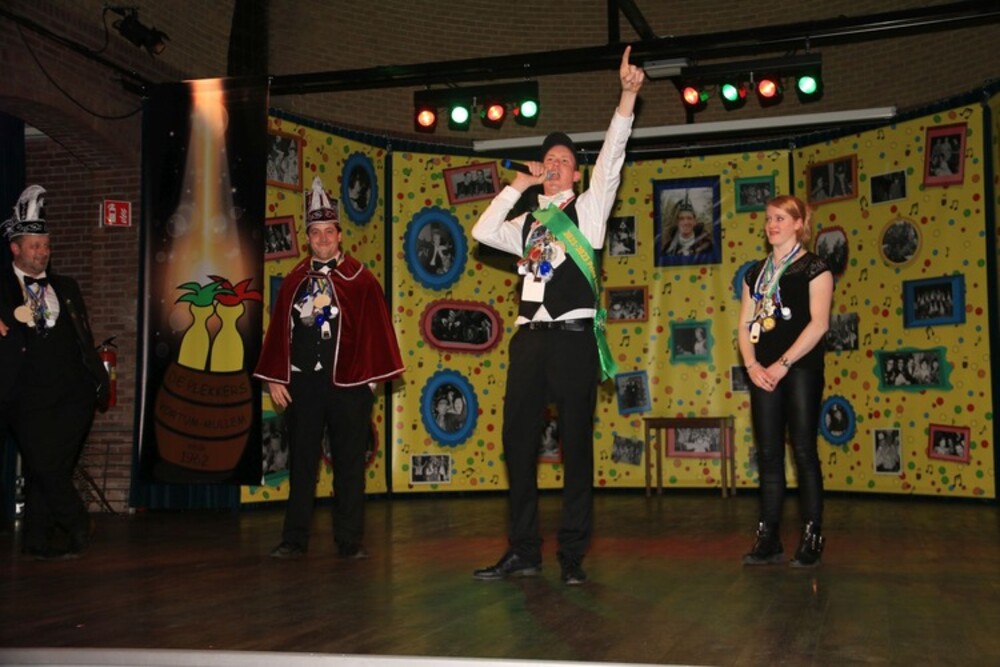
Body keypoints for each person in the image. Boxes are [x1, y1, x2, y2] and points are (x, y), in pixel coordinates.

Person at [470, 47, 644, 585]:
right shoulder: (525, 222)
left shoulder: (589, 211)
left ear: (575, 172)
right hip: (529, 342)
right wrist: (517, 186)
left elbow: (612, 157)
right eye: (548, 160)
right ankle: (523, 549)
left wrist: (627, 96)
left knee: (575, 448)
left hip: (572, 342)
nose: (554, 165)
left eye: (563, 161)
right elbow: (481, 232)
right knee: (517, 445)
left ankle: (572, 555)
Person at [254, 176, 404, 560]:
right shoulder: (294, 281)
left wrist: (368, 384)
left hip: (349, 387)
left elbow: (377, 333)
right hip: (303, 385)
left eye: (328, 232)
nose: (322, 238)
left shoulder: (362, 280)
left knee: (349, 465)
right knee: (302, 465)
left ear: (339, 235)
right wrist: (275, 379)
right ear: (308, 238)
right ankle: (294, 539)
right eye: (316, 232)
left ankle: (349, 540)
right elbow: (279, 332)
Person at [0, 184, 109, 560]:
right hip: (25, 393)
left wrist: (97, 379)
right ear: (15, 248)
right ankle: (77, 521)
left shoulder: (67, 286)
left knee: (52, 466)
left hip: (74, 392)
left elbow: (83, 336)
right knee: (45, 462)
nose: (42, 252)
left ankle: (37, 538)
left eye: (45, 245)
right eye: (34, 246)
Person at [737, 194, 833, 568]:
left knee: (804, 450)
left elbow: (819, 324)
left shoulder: (815, 267)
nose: (772, 225)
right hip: (763, 373)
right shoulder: (755, 274)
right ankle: (769, 537)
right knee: (768, 453)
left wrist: (782, 364)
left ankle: (812, 535)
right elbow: (745, 325)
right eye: (768, 218)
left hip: (801, 369)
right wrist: (751, 365)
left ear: (798, 224)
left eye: (780, 218)